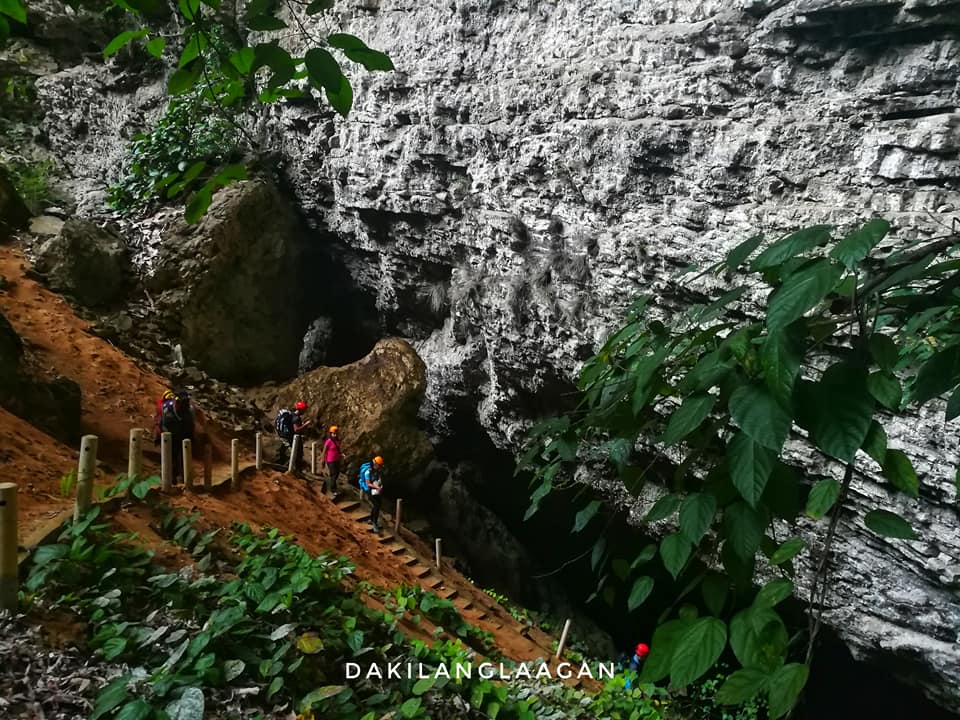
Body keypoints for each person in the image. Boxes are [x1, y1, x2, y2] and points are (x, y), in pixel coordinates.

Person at [158, 389, 194, 483]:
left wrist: (189, 437)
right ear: (176, 402)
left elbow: (191, 425)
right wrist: (167, 436)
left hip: (183, 435)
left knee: (184, 457)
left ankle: (184, 479)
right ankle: (171, 479)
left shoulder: (189, 410)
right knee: (171, 457)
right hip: (169, 435)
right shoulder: (167, 407)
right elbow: (163, 424)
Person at [275, 400, 311, 471]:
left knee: (287, 453)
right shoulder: (296, 418)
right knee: (296, 455)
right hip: (293, 439)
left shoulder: (291, 414)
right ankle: (295, 471)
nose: (305, 411)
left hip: (287, 437)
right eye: (304, 409)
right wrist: (306, 425)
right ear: (301, 409)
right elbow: (296, 429)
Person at [358, 455, 385, 532]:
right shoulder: (368, 471)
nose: (380, 467)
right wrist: (377, 488)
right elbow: (368, 483)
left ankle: (371, 519)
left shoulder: (376, 470)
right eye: (379, 465)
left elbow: (379, 479)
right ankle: (374, 522)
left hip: (375, 489)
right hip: (369, 489)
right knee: (376, 504)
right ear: (375, 464)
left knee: (378, 504)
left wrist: (380, 486)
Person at [321, 425, 344, 496]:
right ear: (331, 434)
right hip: (330, 460)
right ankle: (333, 489)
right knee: (334, 474)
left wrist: (341, 454)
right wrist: (323, 460)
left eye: (336, 433)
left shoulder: (338, 441)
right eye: (333, 433)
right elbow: (324, 451)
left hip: (337, 459)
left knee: (336, 473)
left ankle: (333, 484)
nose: (335, 435)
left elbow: (338, 449)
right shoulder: (328, 441)